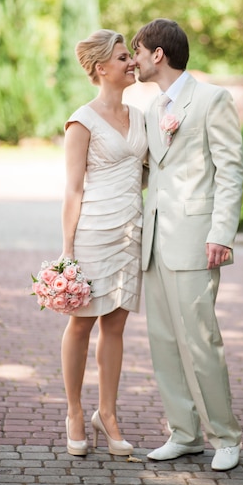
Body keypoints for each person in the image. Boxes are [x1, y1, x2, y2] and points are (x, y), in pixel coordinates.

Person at [131, 18, 243, 471]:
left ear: (157, 54)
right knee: (163, 340)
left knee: (201, 340)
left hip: (197, 240)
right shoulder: (152, 110)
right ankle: (184, 432)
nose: (135, 60)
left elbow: (231, 168)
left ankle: (227, 437)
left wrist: (222, 232)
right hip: (155, 241)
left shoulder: (212, 99)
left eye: (137, 51)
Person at [60, 29, 148, 457]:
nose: (131, 62)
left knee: (115, 326)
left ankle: (107, 414)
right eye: (122, 57)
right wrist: (67, 252)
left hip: (132, 234)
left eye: (130, 56)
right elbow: (73, 190)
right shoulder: (82, 120)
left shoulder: (142, 117)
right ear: (101, 69)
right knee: (81, 324)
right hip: (94, 233)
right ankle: (75, 412)